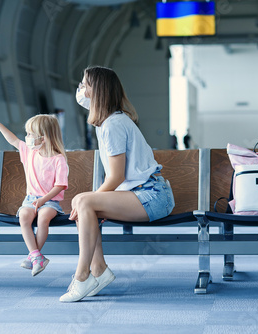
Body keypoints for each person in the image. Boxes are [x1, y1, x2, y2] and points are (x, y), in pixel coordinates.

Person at [59, 66, 175, 302]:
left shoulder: (112, 125)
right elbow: (114, 176)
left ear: (98, 91)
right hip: (142, 194)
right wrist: (89, 202)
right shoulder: (109, 121)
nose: (80, 89)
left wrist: (88, 201)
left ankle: (83, 276)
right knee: (83, 203)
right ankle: (98, 270)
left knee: (82, 201)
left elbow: (116, 177)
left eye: (85, 84)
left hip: (151, 196)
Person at [0, 113, 69, 276]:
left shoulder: (59, 159)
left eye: (30, 134)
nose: (27, 137)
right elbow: (13, 140)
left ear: (43, 139)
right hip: (30, 199)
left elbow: (60, 185)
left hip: (50, 202)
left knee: (44, 218)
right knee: (24, 216)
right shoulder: (29, 152)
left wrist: (43, 200)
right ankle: (36, 256)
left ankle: (34, 257)